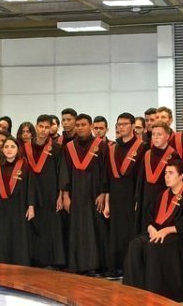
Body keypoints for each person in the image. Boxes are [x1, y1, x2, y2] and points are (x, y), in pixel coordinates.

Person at [122, 158, 183, 302]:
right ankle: (133, 292)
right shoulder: (162, 195)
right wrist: (151, 228)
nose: (166, 176)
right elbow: (149, 216)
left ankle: (156, 295)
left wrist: (166, 231)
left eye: (171, 173)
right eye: (165, 173)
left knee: (155, 246)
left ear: (181, 176)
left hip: (181, 240)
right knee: (136, 244)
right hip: (158, 233)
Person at [60, 113, 109, 275]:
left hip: (95, 195)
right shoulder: (69, 147)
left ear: (91, 127)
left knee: (95, 230)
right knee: (76, 230)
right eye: (78, 125)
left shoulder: (100, 146)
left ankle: (94, 265)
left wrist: (103, 193)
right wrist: (66, 196)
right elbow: (65, 172)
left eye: (83, 125)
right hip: (75, 195)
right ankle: (77, 265)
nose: (80, 128)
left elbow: (105, 171)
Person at [105, 112, 147, 279]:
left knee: (131, 233)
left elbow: (143, 176)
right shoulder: (112, 148)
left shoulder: (142, 147)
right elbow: (106, 176)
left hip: (132, 196)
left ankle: (130, 269)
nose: (121, 127)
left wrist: (139, 198)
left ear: (132, 126)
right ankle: (115, 268)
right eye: (119, 124)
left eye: (124, 124)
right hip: (115, 196)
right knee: (115, 233)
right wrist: (107, 200)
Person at [0, 137, 37, 266]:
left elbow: (30, 186)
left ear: (18, 149)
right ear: (2, 150)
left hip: (19, 207)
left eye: (12, 147)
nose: (9, 150)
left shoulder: (25, 165)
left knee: (19, 237)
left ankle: (20, 265)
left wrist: (31, 206)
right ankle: (1, 265)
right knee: (2, 237)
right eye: (6, 147)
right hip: (1, 208)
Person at [25, 115, 65, 267]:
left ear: (52, 129)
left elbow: (62, 172)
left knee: (50, 226)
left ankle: (51, 260)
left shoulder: (57, 148)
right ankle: (34, 259)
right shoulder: (25, 148)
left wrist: (60, 195)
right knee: (32, 224)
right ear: (36, 126)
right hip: (30, 192)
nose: (43, 130)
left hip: (50, 191)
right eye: (41, 126)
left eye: (47, 127)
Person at [135, 122, 178, 235]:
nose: (155, 137)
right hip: (146, 199)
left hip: (164, 199)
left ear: (167, 136)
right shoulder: (147, 154)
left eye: (159, 134)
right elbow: (140, 179)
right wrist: (138, 198)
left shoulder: (173, 155)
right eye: (153, 134)